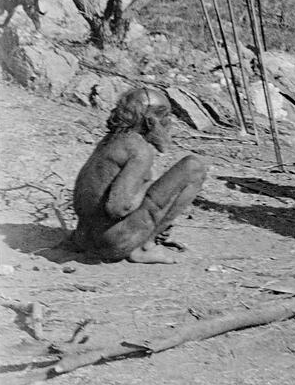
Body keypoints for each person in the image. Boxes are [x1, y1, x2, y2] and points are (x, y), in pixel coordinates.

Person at [71, 87, 208, 264]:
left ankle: (138, 243)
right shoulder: (138, 149)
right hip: (113, 242)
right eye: (165, 117)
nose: (168, 124)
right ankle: (143, 247)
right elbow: (118, 208)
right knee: (193, 167)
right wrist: (146, 185)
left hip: (84, 238)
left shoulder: (112, 139)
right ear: (151, 122)